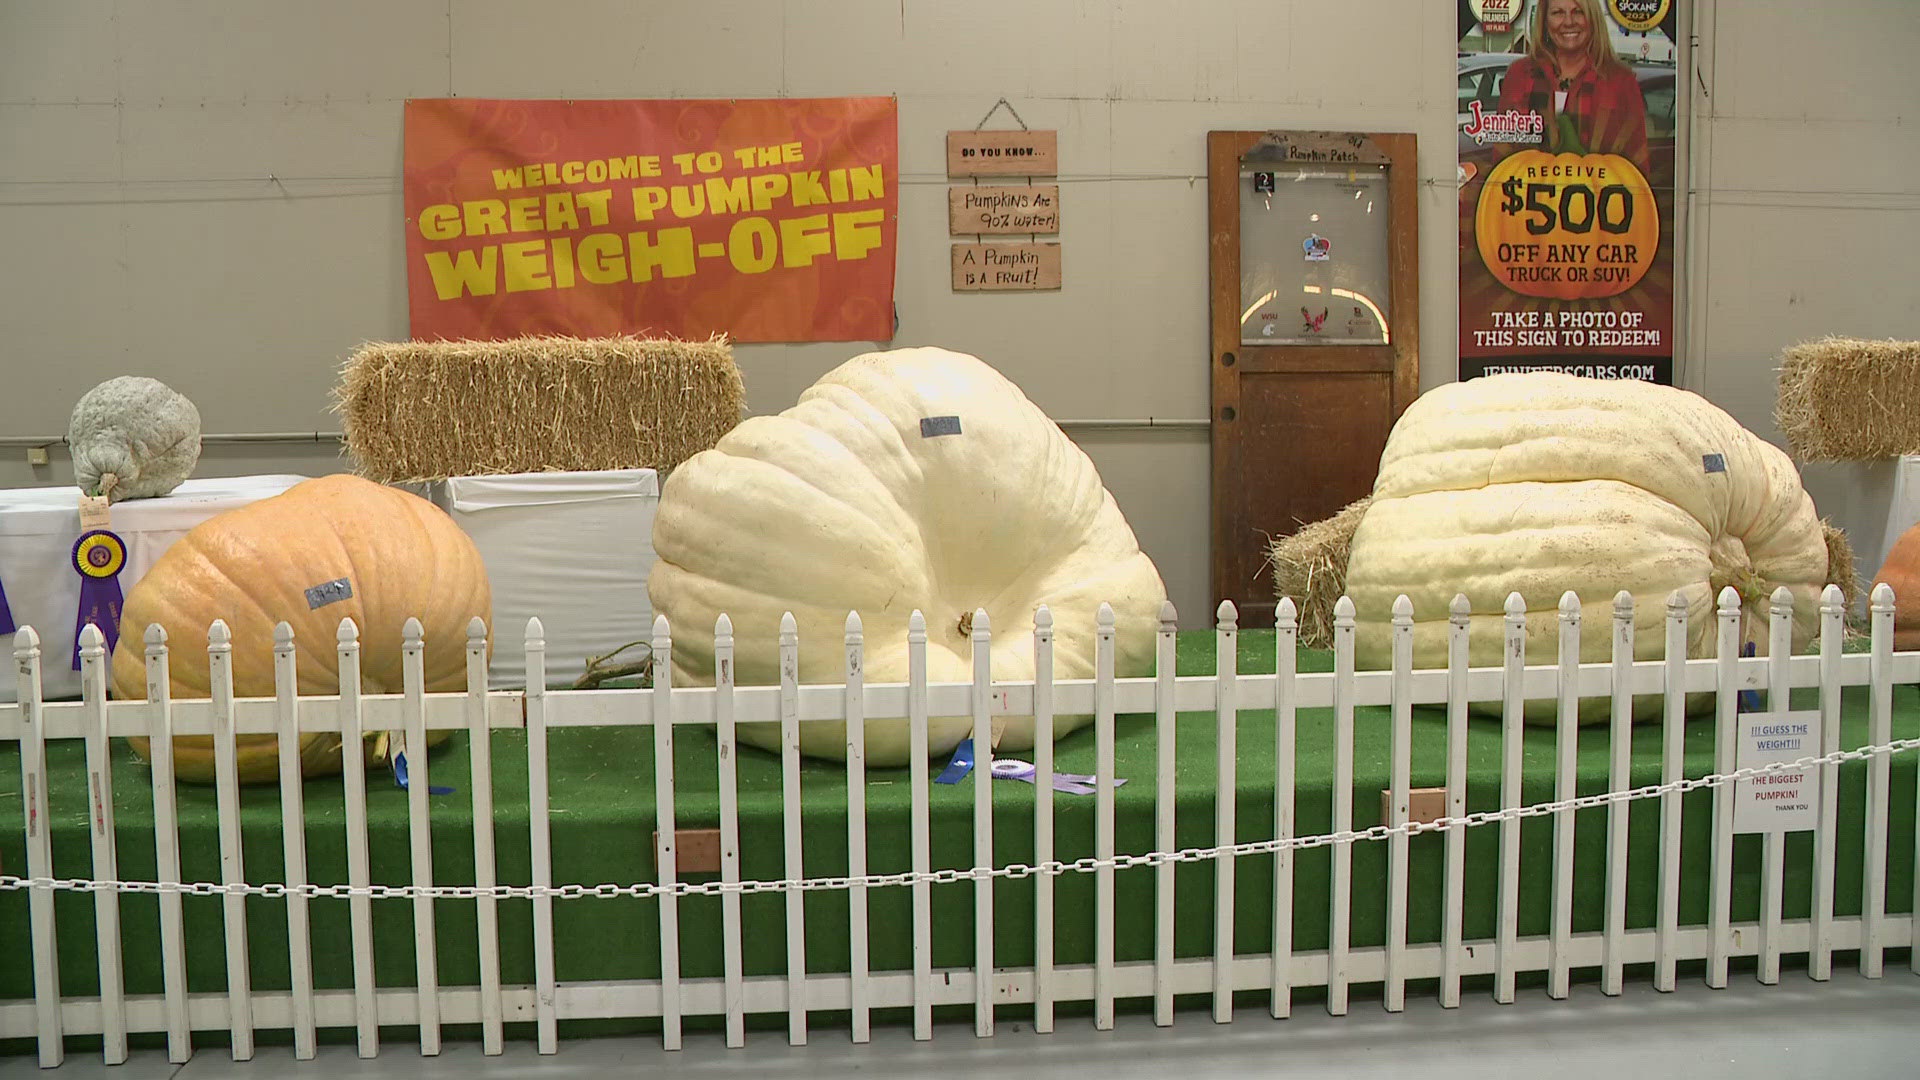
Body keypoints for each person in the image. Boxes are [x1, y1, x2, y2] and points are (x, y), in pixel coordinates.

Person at [1494, 0, 1650, 178]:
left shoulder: (1620, 80)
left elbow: (1637, 163)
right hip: (1527, 200)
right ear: (1544, 21)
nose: (1568, 22)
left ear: (1593, 19)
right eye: (1558, 13)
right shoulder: (1520, 74)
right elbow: (1502, 154)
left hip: (1599, 201)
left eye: (1578, 12)